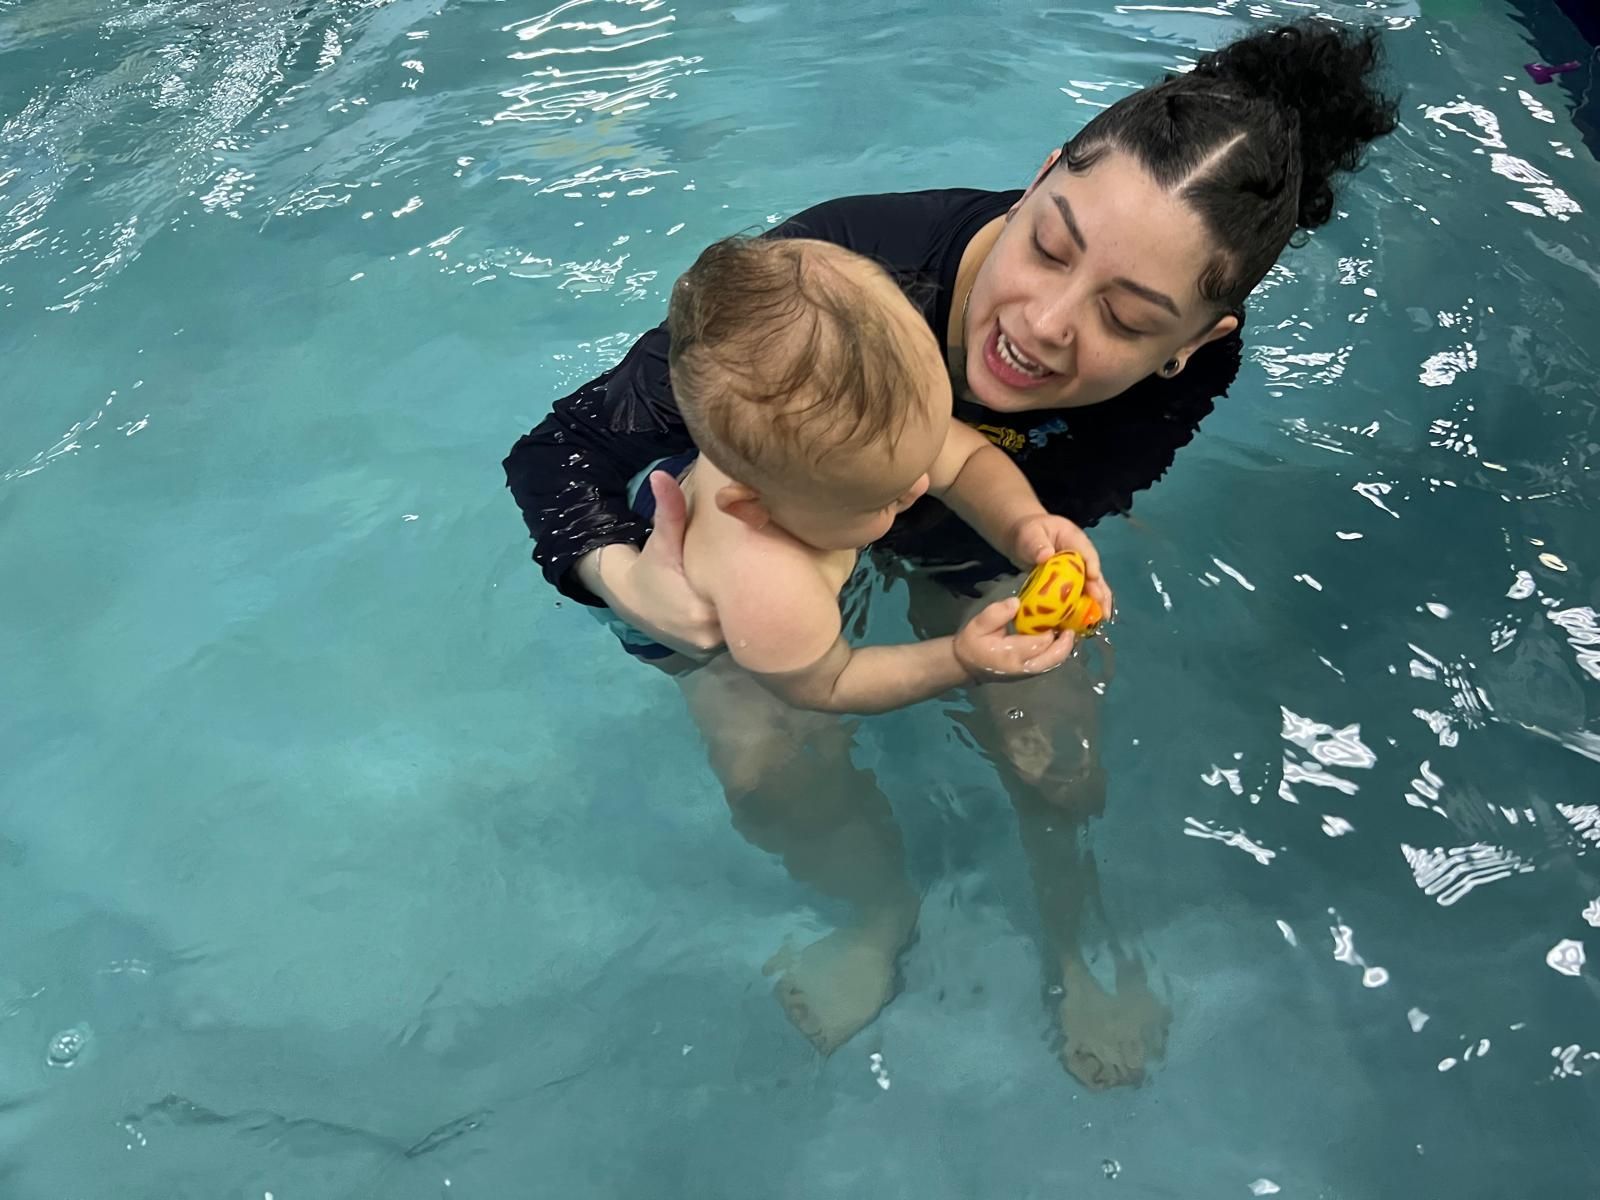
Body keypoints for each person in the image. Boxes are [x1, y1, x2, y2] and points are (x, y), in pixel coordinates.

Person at [504, 21, 1399, 1086]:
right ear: (1032, 181)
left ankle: (1074, 943)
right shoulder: (850, 284)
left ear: (1194, 344)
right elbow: (557, 448)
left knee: (1051, 756)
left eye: (1125, 316)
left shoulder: (1199, 367)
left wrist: (1025, 545)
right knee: (767, 765)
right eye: (1049, 245)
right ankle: (878, 918)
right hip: (771, 532)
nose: (1042, 324)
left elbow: (1061, 474)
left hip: (958, 520)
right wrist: (628, 581)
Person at [601, 233, 1110, 709]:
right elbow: (828, 683)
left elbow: (968, 460)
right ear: (753, 509)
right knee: (755, 732)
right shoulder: (769, 586)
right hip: (690, 609)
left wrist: (1022, 524)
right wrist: (957, 660)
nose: (919, 489)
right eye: (882, 500)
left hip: (759, 477)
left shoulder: (856, 449)